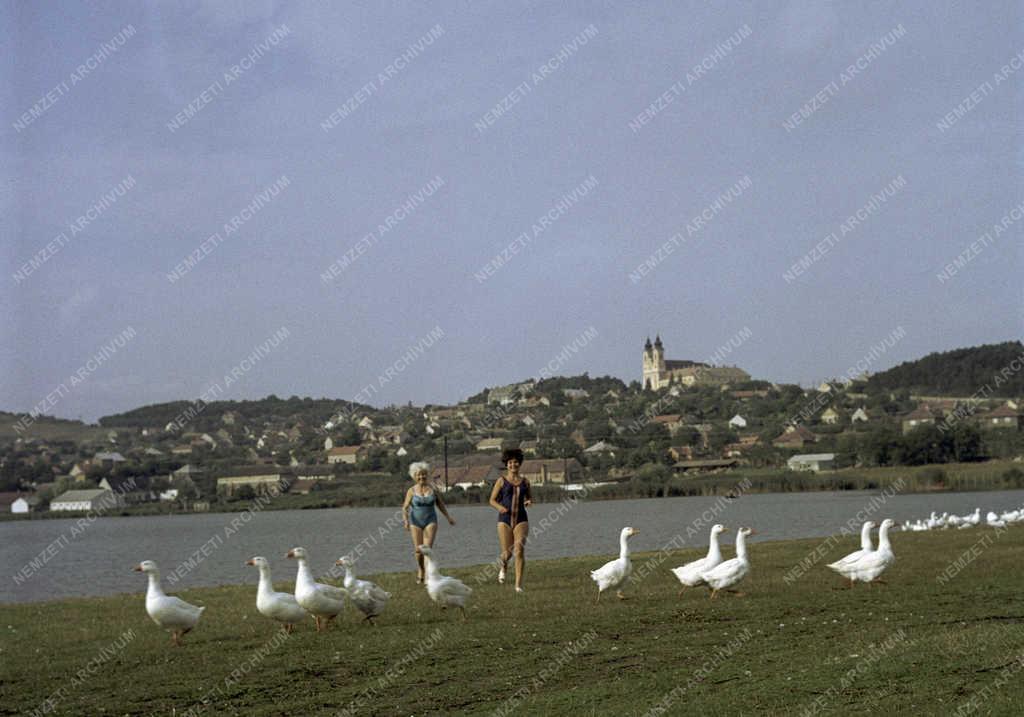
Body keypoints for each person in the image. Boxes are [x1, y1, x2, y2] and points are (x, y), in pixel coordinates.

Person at [402, 461, 455, 583]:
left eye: (424, 474)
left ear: (427, 475)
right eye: (418, 475)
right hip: (415, 522)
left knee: (427, 549)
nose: (422, 477)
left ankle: (427, 575)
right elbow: (405, 507)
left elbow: (440, 504)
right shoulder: (411, 491)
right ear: (414, 476)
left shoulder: (433, 489)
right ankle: (421, 569)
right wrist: (405, 520)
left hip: (431, 521)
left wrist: (448, 517)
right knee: (418, 550)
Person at [489, 447, 532, 593]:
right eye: (510, 463)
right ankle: (503, 566)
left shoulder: (525, 482)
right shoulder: (501, 481)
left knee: (519, 551)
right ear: (506, 464)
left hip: (521, 519)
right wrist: (499, 507)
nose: (513, 465)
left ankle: (518, 585)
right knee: (507, 553)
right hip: (505, 519)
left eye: (516, 462)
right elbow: (492, 500)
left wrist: (528, 502)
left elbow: (529, 498)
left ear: (519, 464)